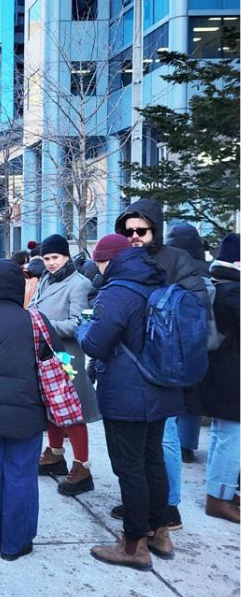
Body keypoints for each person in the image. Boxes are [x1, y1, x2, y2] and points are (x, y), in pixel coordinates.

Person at [76, 234, 184, 570]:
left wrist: (82, 328)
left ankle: (133, 545)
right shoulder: (156, 281)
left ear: (107, 261)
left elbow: (95, 344)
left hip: (128, 394)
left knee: (129, 468)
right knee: (152, 459)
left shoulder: (118, 291)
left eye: (99, 262)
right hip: (161, 388)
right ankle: (160, 533)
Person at [110, 200, 207, 530]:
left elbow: (195, 310)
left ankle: (168, 508)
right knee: (139, 449)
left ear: (156, 229)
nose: (134, 236)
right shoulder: (125, 260)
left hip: (164, 362)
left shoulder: (175, 259)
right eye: (128, 231)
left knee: (163, 440)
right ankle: (146, 508)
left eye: (142, 230)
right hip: (132, 364)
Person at [0, 259, 59, 561]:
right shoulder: (35, 320)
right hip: (27, 415)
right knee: (21, 477)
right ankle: (14, 544)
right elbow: (56, 359)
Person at [29, 235, 100, 496]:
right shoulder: (45, 279)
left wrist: (43, 326)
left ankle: (82, 466)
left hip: (67, 357)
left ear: (66, 257)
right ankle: (55, 454)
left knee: (72, 412)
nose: (50, 263)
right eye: (47, 258)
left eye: (55, 258)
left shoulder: (79, 284)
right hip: (46, 355)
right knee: (51, 407)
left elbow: (78, 323)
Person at [199, 234, 241, 524]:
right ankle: (219, 497)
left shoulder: (216, 285)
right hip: (233, 376)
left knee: (221, 433)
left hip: (218, 374)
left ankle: (217, 488)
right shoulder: (234, 292)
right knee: (232, 437)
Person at [165, 222, 209, 464]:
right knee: (194, 395)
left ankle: (174, 443)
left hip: (172, 339)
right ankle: (187, 445)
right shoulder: (207, 271)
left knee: (173, 393)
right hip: (203, 342)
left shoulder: (169, 268)